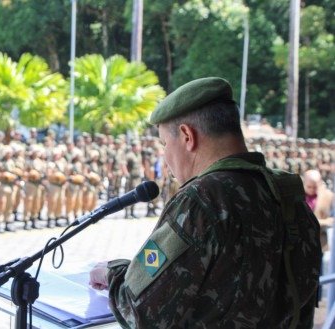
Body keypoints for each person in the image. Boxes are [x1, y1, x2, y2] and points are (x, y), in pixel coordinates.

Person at [89, 77, 321, 328]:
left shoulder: (201, 200)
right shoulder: (288, 193)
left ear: (187, 136)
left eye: (165, 144)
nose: (165, 156)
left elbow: (140, 311)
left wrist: (111, 272)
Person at [303, 169, 334, 252]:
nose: (312, 189)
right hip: (302, 244)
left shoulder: (329, 196)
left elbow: (332, 220)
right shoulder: (297, 197)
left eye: (315, 187)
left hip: (322, 244)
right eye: (309, 187)